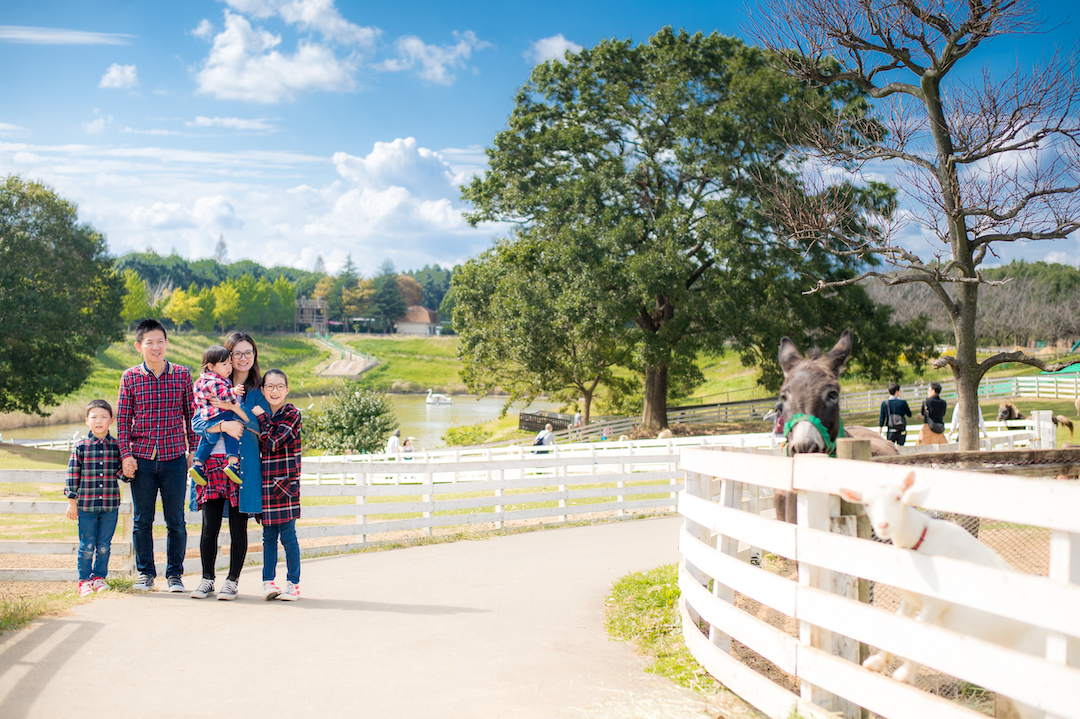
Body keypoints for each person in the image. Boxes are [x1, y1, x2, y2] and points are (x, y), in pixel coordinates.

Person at [116, 319, 197, 593]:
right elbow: (123, 421)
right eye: (149, 342)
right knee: (142, 520)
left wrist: (193, 450)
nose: (155, 347)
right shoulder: (130, 377)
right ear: (139, 346)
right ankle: (146, 574)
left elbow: (191, 415)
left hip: (174, 457)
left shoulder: (182, 375)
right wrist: (126, 455)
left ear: (167, 343)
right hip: (142, 459)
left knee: (176, 519)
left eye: (160, 341)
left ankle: (175, 575)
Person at [190, 331, 270, 600]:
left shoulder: (258, 391)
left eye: (249, 352)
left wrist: (232, 408)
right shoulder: (209, 385)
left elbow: (261, 424)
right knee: (209, 525)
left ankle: (232, 580)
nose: (243, 358)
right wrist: (223, 424)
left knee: (239, 526)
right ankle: (206, 579)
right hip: (212, 463)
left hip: (242, 467)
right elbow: (196, 423)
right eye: (237, 353)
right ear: (226, 356)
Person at [251, 370, 302, 602]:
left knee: (288, 537)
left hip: (285, 486)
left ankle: (293, 584)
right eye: (270, 387)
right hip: (265, 486)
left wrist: (261, 418)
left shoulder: (291, 414)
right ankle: (268, 582)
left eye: (280, 386)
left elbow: (272, 442)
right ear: (262, 390)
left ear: (287, 389)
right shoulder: (263, 415)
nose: (275, 391)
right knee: (268, 538)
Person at [66, 400, 125, 597]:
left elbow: (122, 474)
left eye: (103, 417)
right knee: (87, 545)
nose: (98, 421)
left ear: (111, 421)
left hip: (109, 505)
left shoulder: (117, 446)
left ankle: (99, 578)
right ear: (86, 421)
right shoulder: (81, 447)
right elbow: (73, 475)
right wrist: (71, 502)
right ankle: (84, 581)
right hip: (86, 507)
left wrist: (129, 469)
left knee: (103, 546)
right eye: (94, 417)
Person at [189, 345, 249, 487]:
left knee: (208, 439)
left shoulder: (203, 380)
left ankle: (197, 464)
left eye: (229, 363)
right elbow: (223, 396)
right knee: (233, 434)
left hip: (208, 416)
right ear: (211, 366)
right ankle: (233, 464)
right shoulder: (214, 381)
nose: (229, 367)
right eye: (224, 364)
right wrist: (234, 391)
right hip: (219, 414)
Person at [878, 382, 912, 447]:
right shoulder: (903, 403)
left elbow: (881, 418)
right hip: (901, 430)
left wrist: (879, 431)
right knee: (901, 449)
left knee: (890, 449)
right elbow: (909, 414)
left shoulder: (885, 403)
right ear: (897, 391)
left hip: (891, 430)